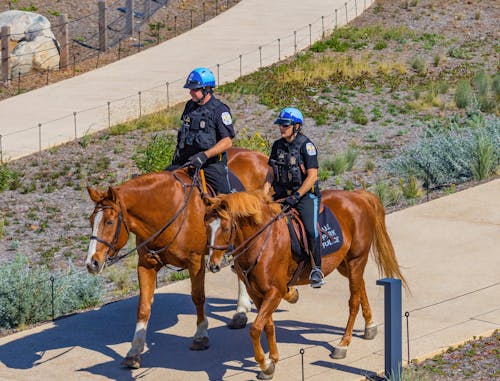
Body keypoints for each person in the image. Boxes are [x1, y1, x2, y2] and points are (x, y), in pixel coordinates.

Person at [263, 107, 324, 288]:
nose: (281, 128)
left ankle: (316, 269)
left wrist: (297, 195)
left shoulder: (307, 146)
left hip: (305, 196)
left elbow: (313, 176)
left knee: (311, 229)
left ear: (296, 126)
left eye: (285, 125)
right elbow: (270, 175)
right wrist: (262, 195)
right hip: (282, 195)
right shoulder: (277, 146)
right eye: (280, 125)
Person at [168, 67, 234, 194]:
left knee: (225, 200)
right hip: (185, 162)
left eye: (195, 89)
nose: (191, 92)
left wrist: (204, 156)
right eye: (190, 89)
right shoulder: (189, 106)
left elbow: (227, 142)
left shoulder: (220, 110)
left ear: (207, 89)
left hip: (210, 165)